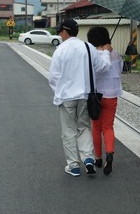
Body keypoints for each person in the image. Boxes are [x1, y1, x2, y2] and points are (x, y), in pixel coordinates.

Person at [48, 19, 112, 177]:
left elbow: (53, 77)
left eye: (60, 31)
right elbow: (103, 67)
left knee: (69, 131)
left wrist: (59, 93)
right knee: (84, 127)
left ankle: (73, 166)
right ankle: (88, 159)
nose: (59, 34)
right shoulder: (88, 47)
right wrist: (105, 52)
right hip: (85, 96)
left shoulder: (60, 50)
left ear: (64, 31)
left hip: (66, 97)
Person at [86, 26, 123, 175]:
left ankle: (98, 158)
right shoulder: (115, 54)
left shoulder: (91, 54)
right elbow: (119, 71)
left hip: (96, 96)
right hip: (111, 95)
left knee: (96, 127)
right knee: (108, 127)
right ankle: (109, 153)